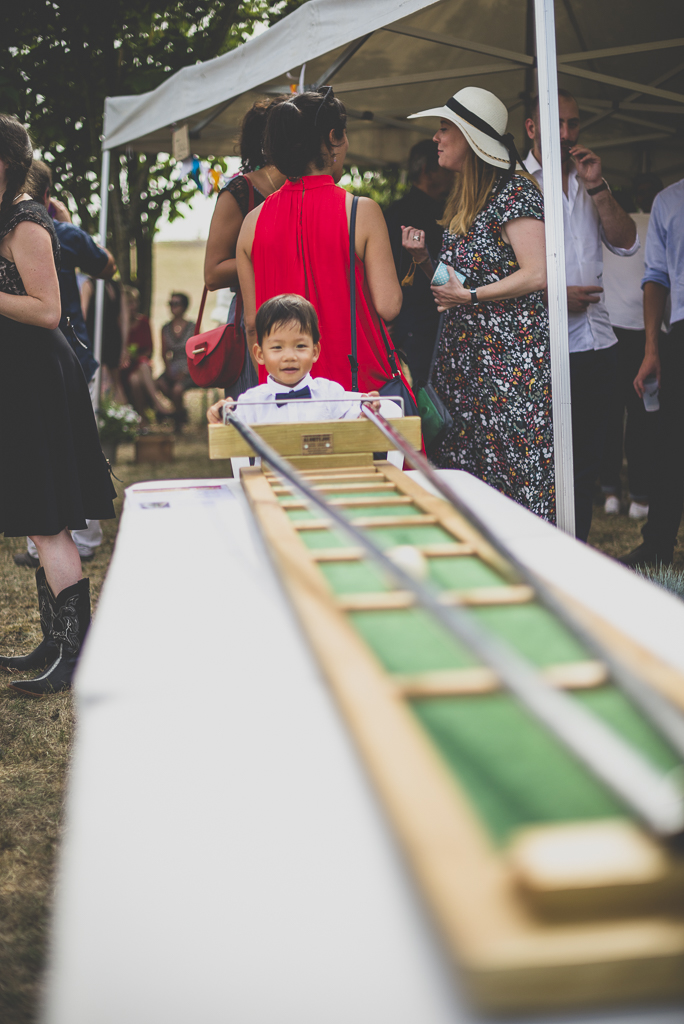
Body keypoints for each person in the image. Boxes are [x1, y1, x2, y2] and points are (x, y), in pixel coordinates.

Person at [0, 114, 116, 696]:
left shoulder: (26, 222)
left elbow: (47, 310)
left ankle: (74, 656)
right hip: (19, 382)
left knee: (49, 523)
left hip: (39, 381)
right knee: (38, 516)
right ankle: (55, 641)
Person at [402, 87, 553, 521]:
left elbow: (538, 272)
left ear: (469, 138)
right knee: (468, 482)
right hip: (468, 370)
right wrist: (422, 260)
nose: (436, 137)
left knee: (509, 481)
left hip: (508, 370)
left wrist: (470, 296)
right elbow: (455, 285)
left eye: (444, 128)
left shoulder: (514, 192)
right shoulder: (467, 197)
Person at [523, 89, 639, 540]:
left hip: (597, 343)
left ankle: (577, 551)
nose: (568, 133)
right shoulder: (514, 181)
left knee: (587, 462)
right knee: (546, 460)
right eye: (558, 123)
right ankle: (541, 550)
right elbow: (501, 273)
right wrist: (553, 296)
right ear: (532, 127)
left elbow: (626, 241)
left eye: (573, 123)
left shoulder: (591, 179)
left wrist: (597, 186)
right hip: (545, 344)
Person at [236, 88, 405, 395]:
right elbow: (389, 305)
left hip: (285, 396)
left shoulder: (252, 223)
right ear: (332, 139)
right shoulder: (360, 212)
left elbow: (252, 323)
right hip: (361, 393)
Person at [13, 159, 115, 570]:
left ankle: (46, 544)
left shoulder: (14, 229)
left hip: (43, 355)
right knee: (76, 445)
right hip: (71, 351)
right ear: (47, 196)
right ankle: (84, 537)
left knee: (43, 448)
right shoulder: (66, 233)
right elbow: (107, 265)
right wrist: (71, 227)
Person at [207, 293, 401, 474]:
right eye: (277, 347)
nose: (289, 357)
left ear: (315, 351)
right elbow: (229, 431)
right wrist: (220, 413)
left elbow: (356, 426)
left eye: (300, 346)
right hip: (271, 489)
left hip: (327, 484)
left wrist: (368, 411)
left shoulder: (330, 393)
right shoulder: (252, 402)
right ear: (260, 354)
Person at [204, 97, 287, 398]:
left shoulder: (299, 185)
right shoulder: (240, 192)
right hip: (253, 315)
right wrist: (268, 259)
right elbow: (212, 274)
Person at [620, 177, 684, 567]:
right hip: (680, 330)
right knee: (671, 444)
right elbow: (656, 275)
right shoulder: (668, 200)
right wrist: (651, 347)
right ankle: (658, 544)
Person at [600, 173, 664, 519]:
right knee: (643, 418)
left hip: (612, 328)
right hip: (646, 332)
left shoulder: (610, 227)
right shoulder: (661, 218)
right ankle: (640, 496)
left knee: (610, 415)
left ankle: (611, 492)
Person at [384, 140, 453, 388]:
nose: (451, 175)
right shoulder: (437, 214)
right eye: (443, 169)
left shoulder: (392, 212)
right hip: (426, 317)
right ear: (426, 170)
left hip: (407, 316)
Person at [120, 286, 173, 421]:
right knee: (139, 371)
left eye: (135, 302)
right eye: (129, 303)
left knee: (136, 379)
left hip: (140, 366)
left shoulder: (143, 322)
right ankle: (156, 403)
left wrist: (135, 356)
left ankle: (142, 418)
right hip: (125, 368)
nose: (133, 306)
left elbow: (149, 350)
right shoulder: (119, 326)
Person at [83, 275, 129, 403]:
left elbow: (83, 315)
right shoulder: (116, 286)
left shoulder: (89, 285)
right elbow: (125, 320)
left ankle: (112, 416)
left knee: (102, 383)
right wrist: (123, 346)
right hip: (114, 337)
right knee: (115, 383)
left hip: (95, 338)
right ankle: (124, 416)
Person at [156, 291, 196, 430]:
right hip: (173, 366)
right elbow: (164, 352)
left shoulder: (192, 327)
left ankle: (178, 419)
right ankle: (180, 411)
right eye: (171, 304)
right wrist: (168, 370)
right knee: (160, 383)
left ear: (184, 307)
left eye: (176, 304)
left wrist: (185, 371)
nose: (173, 307)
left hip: (189, 367)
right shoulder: (165, 328)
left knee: (177, 389)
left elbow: (196, 352)